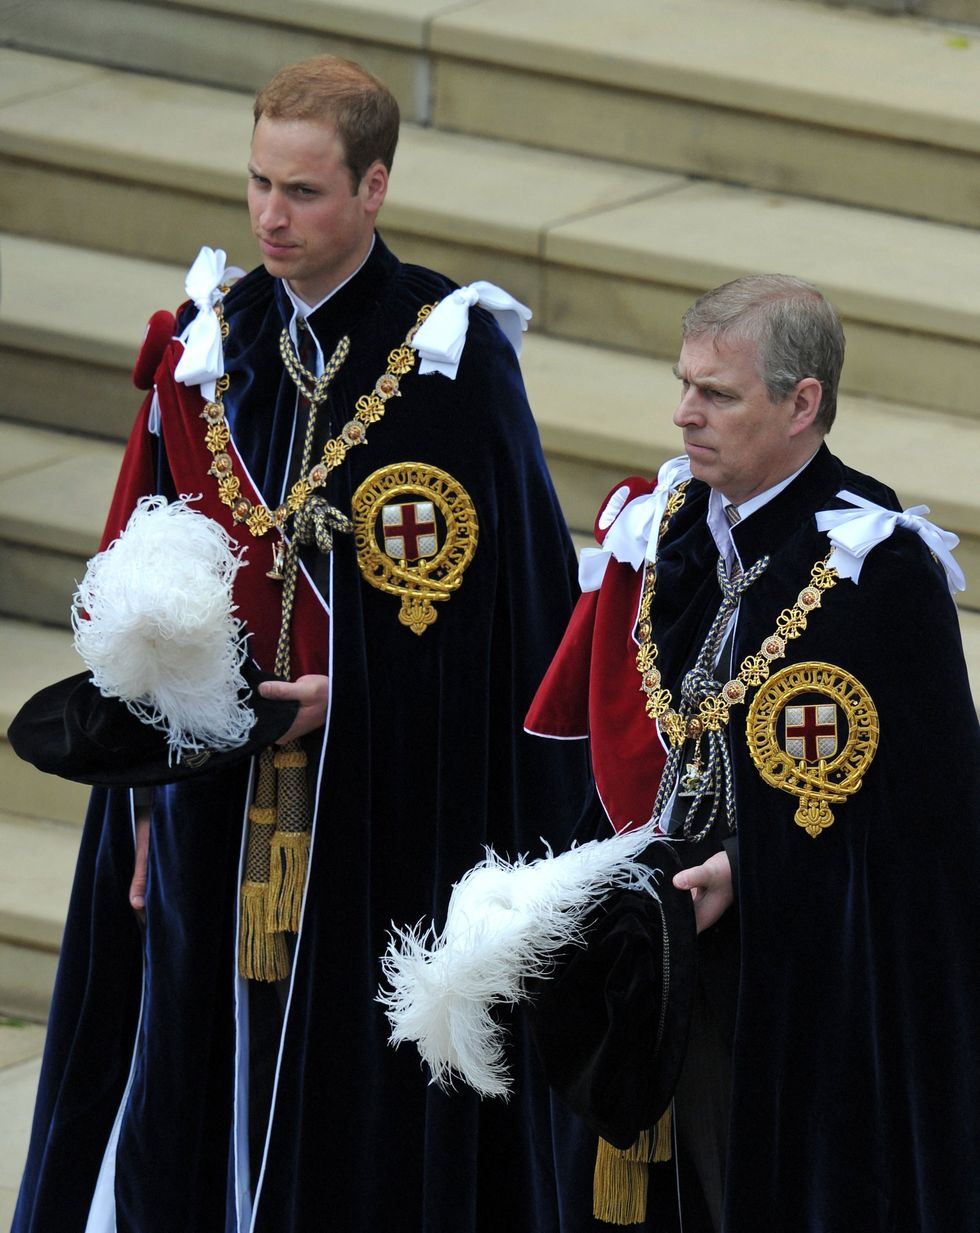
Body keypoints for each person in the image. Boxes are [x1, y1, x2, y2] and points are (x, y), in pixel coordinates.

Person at [12, 54, 592, 1233]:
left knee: (356, 1083)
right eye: (258, 185)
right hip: (211, 793)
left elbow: (515, 610)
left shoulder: (447, 351)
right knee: (195, 1058)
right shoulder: (212, 342)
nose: (271, 216)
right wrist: (135, 807)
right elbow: (148, 571)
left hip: (389, 796)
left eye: (305, 192)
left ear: (373, 188)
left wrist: (360, 696)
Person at [527, 274, 980, 1232]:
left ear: (802, 402)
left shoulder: (878, 567)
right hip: (646, 954)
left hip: (793, 992)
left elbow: (928, 831)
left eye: (719, 394)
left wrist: (758, 866)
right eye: (685, 383)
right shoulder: (667, 530)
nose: (685, 413)